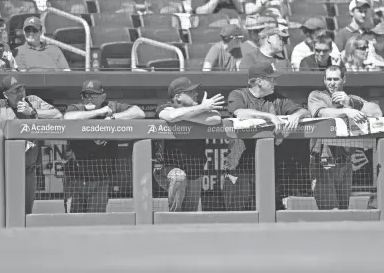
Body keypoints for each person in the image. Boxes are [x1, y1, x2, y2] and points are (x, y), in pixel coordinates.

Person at [0, 75, 62, 213]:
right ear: (6, 94)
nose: (20, 93)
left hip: (27, 169)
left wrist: (33, 112)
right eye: (14, 91)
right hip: (3, 169)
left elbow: (58, 115)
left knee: (24, 214)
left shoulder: (33, 101)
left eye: (21, 89)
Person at [225, 62, 311, 210]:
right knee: (239, 217)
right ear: (259, 81)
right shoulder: (239, 95)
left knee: (271, 215)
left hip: (269, 170)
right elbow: (239, 113)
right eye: (271, 79)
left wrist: (297, 115)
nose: (274, 82)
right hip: (239, 170)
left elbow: (305, 112)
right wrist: (269, 116)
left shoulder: (277, 99)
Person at [63, 80, 145, 213]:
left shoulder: (112, 106)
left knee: (96, 222)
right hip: (75, 178)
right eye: (85, 95)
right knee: (73, 221)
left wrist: (114, 117)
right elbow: (67, 118)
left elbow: (139, 113)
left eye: (93, 95)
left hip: (100, 178)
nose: (88, 98)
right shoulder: (76, 108)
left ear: (103, 96)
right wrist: (99, 112)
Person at [307, 65, 382, 210]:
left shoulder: (351, 99)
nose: (332, 83)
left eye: (336, 79)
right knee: (330, 210)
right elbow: (322, 113)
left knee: (343, 209)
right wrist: (347, 111)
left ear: (344, 79)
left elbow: (377, 111)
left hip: (345, 160)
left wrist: (350, 103)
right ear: (324, 80)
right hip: (323, 160)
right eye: (329, 79)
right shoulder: (317, 95)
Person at [155, 77, 223, 211]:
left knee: (190, 214)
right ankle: (173, 221)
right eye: (191, 92)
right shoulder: (164, 107)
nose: (196, 94)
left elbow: (215, 118)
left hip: (194, 172)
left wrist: (193, 112)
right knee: (179, 177)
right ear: (178, 97)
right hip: (166, 170)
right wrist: (202, 108)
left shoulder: (198, 108)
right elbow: (171, 116)